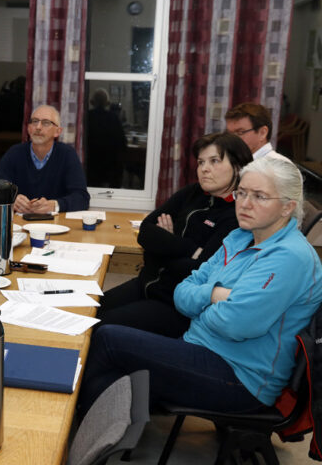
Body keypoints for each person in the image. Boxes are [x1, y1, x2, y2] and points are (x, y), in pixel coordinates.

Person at [79, 156, 322, 418]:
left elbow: (235, 324)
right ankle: (89, 427)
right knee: (109, 370)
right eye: (241, 193)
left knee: (109, 339)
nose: (245, 203)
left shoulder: (290, 257)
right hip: (199, 346)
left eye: (259, 196)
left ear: (287, 207)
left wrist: (201, 308)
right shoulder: (240, 236)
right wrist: (214, 294)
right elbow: (182, 291)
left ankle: (81, 428)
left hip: (241, 377)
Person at [96, 132, 253, 337]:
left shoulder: (237, 216)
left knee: (99, 328)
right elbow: (145, 232)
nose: (204, 169)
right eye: (201, 162)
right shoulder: (192, 193)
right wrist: (189, 248)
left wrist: (162, 246)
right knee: (86, 311)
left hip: (176, 305)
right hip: (146, 283)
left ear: (238, 166)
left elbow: (199, 269)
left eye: (214, 161)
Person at [0, 104, 89, 214]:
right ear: (28, 128)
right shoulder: (14, 153)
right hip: (19, 222)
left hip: (55, 223)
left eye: (46, 123)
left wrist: (55, 205)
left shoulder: (67, 155)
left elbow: (82, 197)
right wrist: (11, 199)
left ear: (57, 132)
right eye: (34, 121)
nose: (38, 127)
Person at [85, 88, 127, 188]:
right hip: (110, 165)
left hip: (91, 163)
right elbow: (122, 142)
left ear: (92, 102)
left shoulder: (87, 116)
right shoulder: (113, 117)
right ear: (107, 103)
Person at [224, 102, 289, 161]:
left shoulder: (279, 165)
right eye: (229, 133)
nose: (232, 139)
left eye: (240, 132)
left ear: (262, 133)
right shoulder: (236, 161)